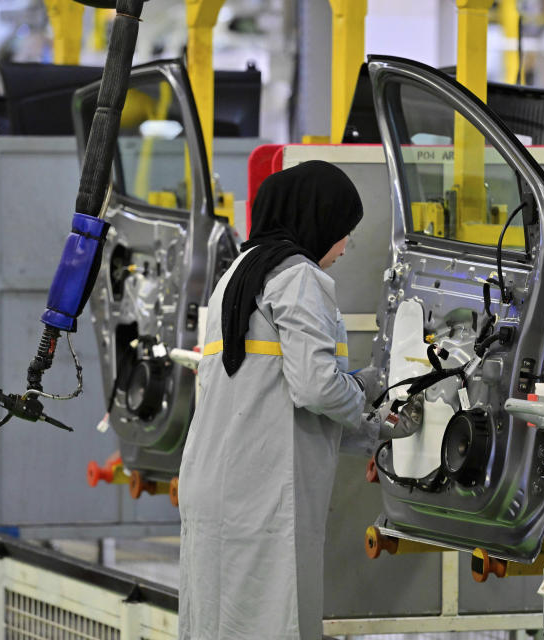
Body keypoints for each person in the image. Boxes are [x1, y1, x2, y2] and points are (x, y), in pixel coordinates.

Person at [178, 160, 420, 640]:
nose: (346, 246)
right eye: (344, 231)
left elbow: (273, 398)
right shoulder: (297, 277)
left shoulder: (237, 276)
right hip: (262, 495)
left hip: (215, 487)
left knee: (216, 625)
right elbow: (315, 388)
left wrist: (374, 430)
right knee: (271, 624)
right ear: (319, 219)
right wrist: (367, 395)